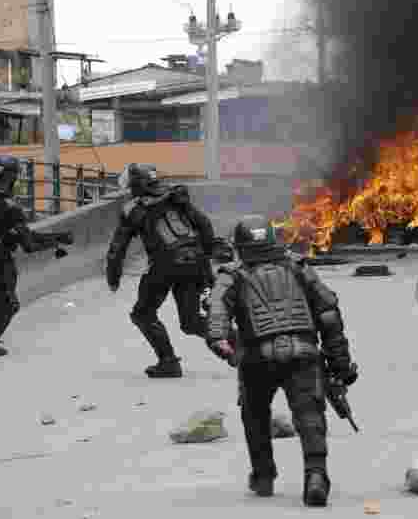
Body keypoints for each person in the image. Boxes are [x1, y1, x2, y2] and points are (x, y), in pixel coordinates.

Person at [206, 215, 357, 507]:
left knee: (255, 414)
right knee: (310, 416)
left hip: (256, 356)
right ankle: (316, 476)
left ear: (240, 246)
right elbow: (328, 313)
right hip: (303, 353)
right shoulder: (298, 266)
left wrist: (220, 341)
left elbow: (216, 311)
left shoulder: (231, 274)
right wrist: (339, 364)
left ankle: (263, 476)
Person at [105, 163, 216, 377]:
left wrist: (113, 277)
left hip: (164, 266)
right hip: (195, 262)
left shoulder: (133, 209)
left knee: (143, 314)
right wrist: (207, 258)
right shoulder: (176, 195)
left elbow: (117, 248)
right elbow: (204, 225)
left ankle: (168, 362)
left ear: (137, 185)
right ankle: (236, 343)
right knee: (191, 321)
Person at [0, 155, 73, 356]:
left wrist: (56, 237)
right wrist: (55, 241)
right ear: (13, 176)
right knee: (7, 304)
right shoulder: (9, 206)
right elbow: (29, 244)